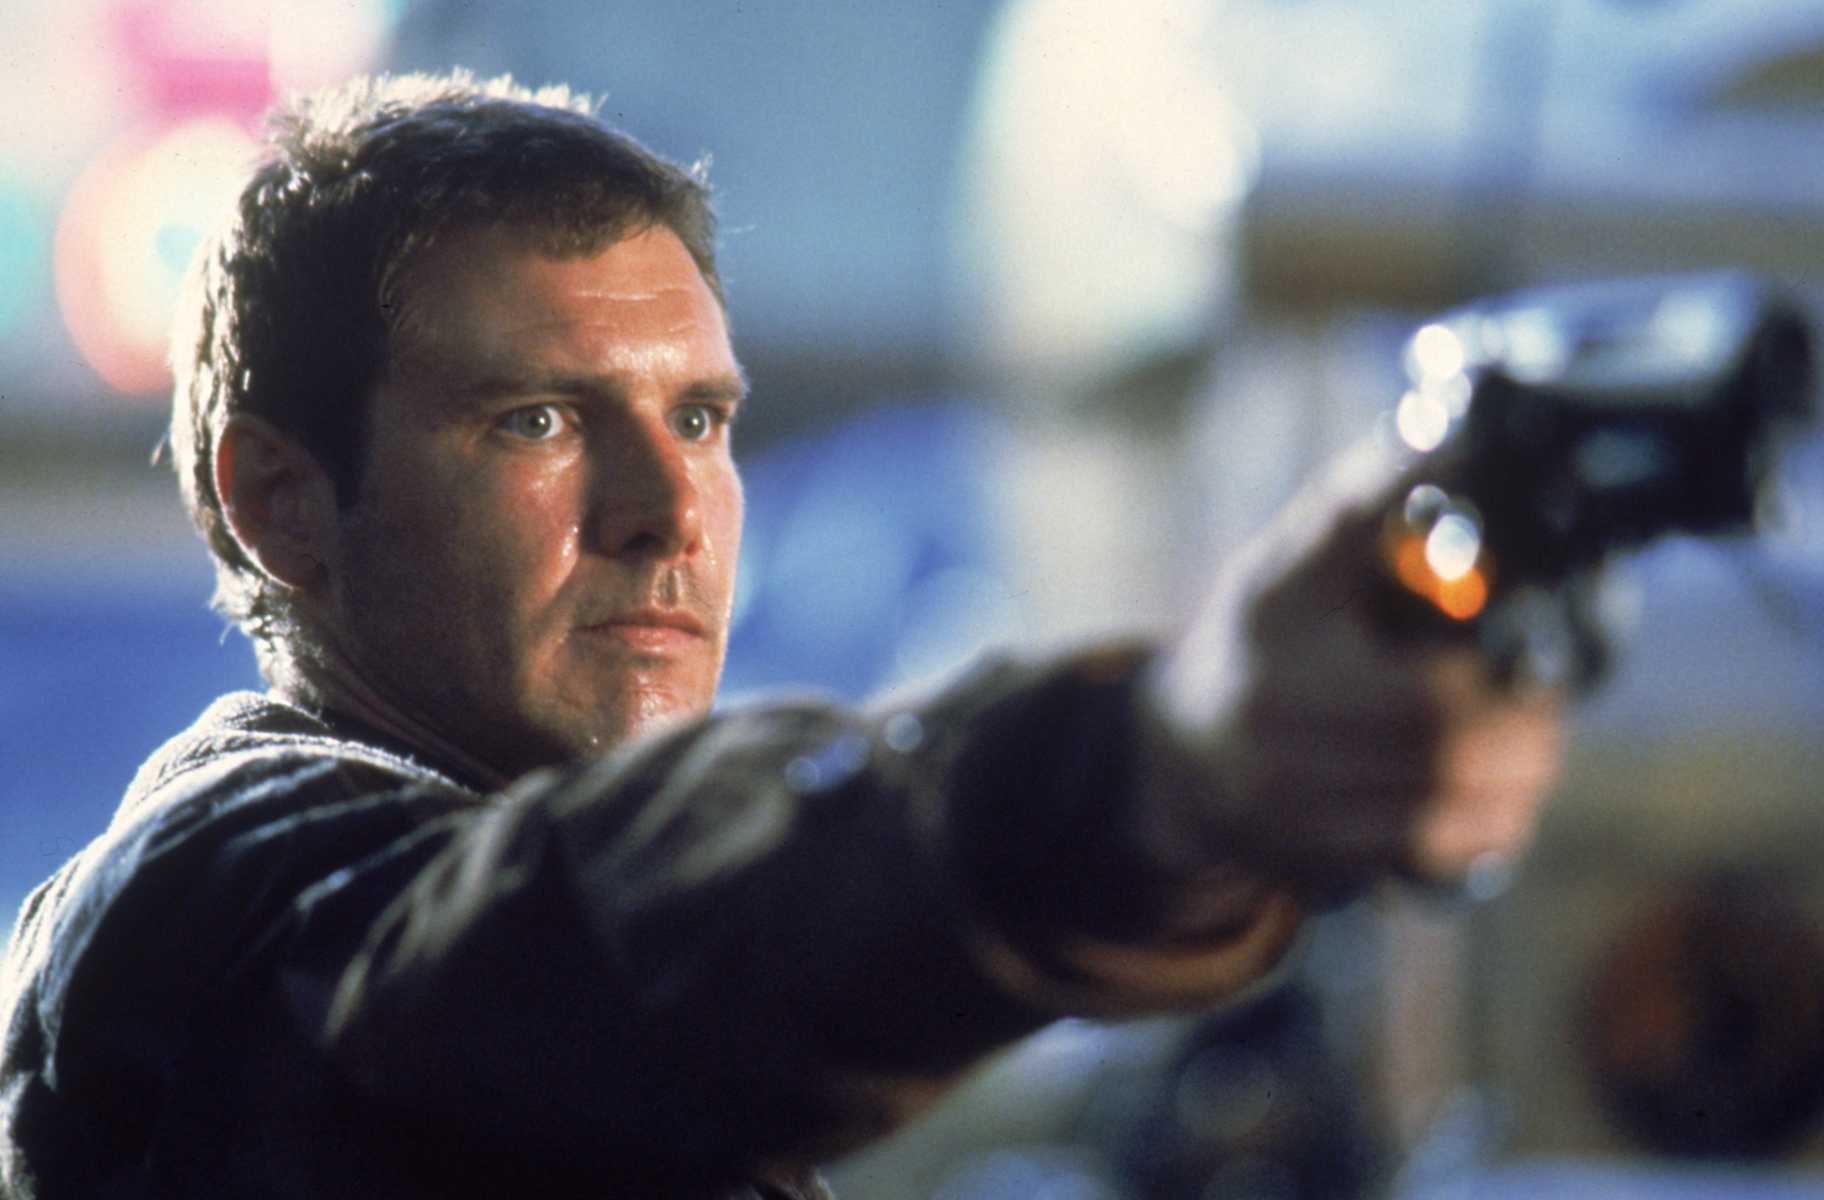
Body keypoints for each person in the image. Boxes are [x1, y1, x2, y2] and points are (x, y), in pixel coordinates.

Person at [0, 71, 1562, 1200]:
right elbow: (580, 944)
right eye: (538, 419)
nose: (666, 513)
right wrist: (1152, 768)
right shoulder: (219, 914)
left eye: (700, 419)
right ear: (280, 503)